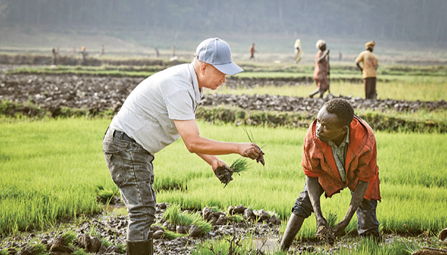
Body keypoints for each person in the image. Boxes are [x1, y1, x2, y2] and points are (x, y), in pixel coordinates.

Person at [103, 38, 265, 255]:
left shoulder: (192, 85)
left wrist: (213, 160)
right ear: (204, 67)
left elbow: (187, 133)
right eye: (222, 72)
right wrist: (238, 147)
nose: (225, 79)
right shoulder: (179, 86)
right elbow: (192, 142)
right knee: (142, 211)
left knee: (144, 209)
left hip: (134, 148)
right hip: (126, 146)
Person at [280, 98, 381, 251]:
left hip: (357, 175)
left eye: (325, 126)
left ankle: (372, 249)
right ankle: (281, 250)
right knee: (303, 202)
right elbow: (312, 175)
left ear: (343, 130)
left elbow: (364, 179)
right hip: (327, 171)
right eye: (319, 121)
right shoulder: (313, 136)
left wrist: (346, 220)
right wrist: (319, 217)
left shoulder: (365, 141)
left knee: (367, 218)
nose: (318, 128)